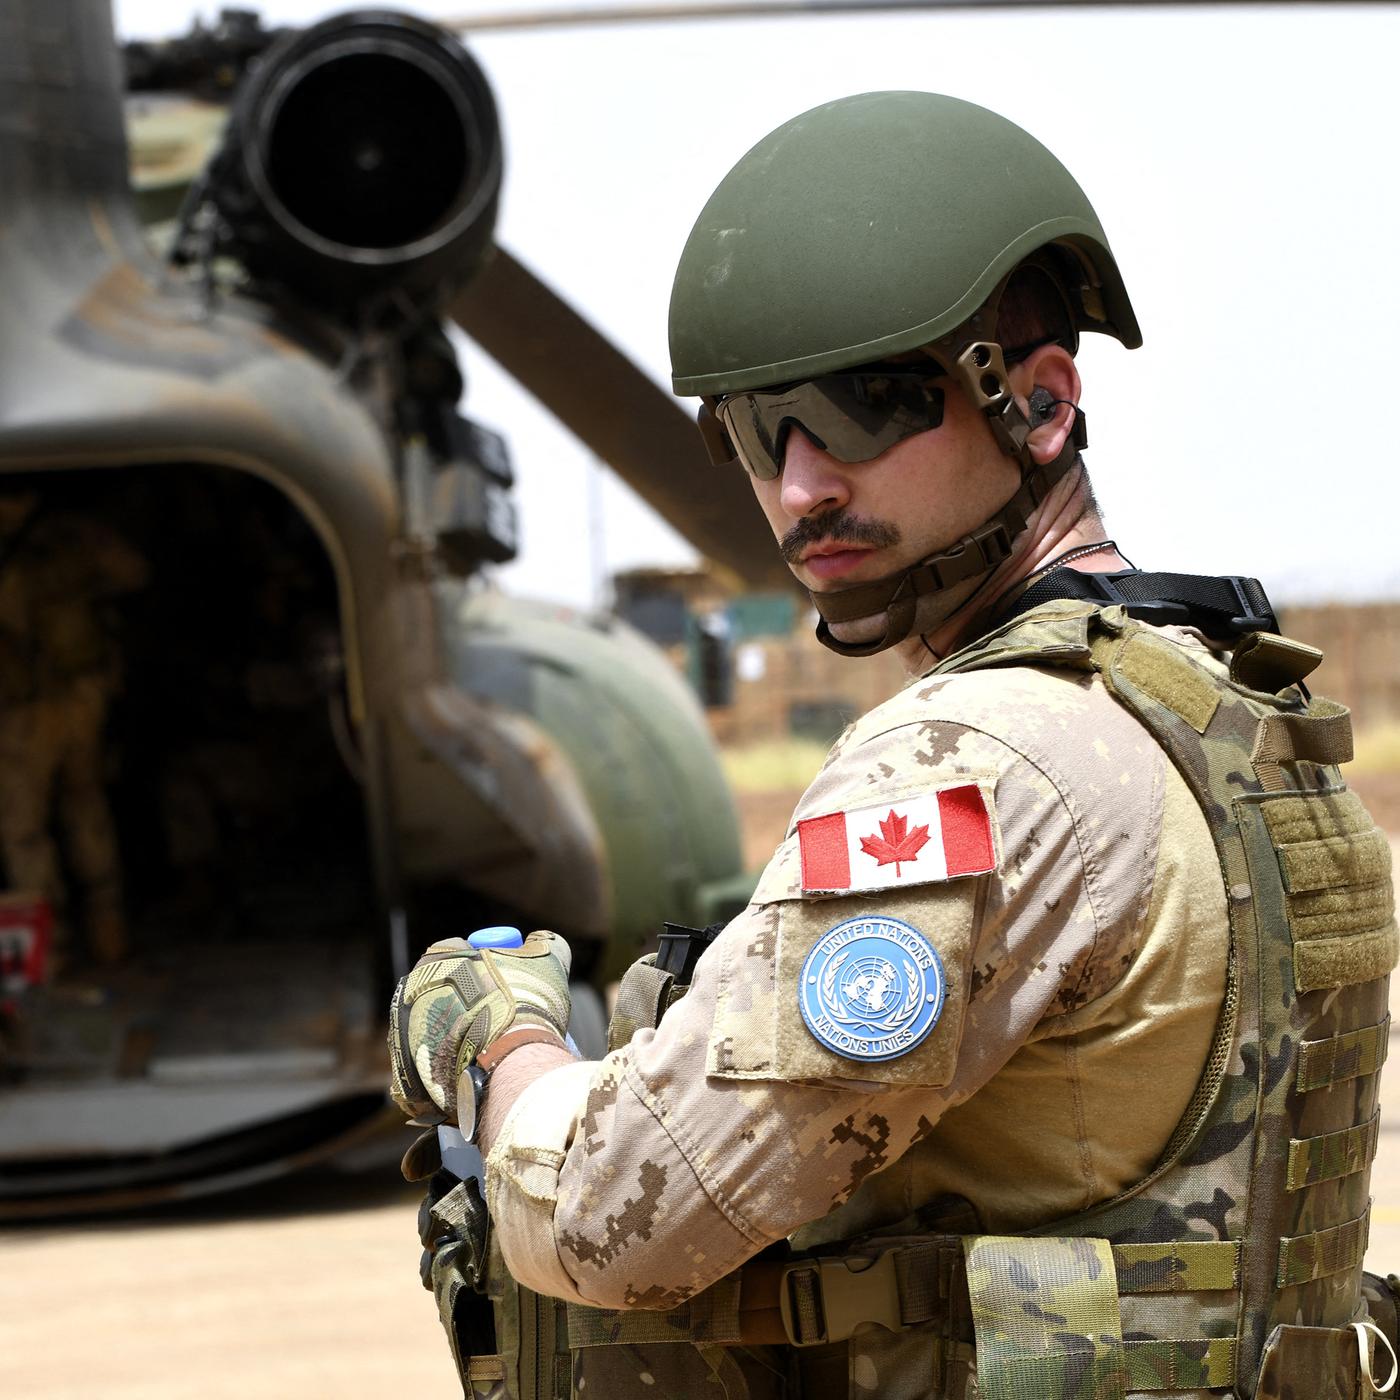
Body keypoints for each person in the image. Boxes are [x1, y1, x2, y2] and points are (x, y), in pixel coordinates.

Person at [389, 93, 1398, 1399]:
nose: (802, 485)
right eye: (755, 430)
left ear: (1039, 405)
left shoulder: (986, 760)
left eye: (862, 408)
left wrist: (496, 1043)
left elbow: (610, 1216)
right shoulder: (1234, 709)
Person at [0, 491, 149, 969]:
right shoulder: (71, 534)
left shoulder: (60, 538)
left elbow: (133, 572)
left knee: (27, 831)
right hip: (68, 697)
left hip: (35, 708)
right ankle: (102, 938)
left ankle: (50, 957)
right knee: (83, 811)